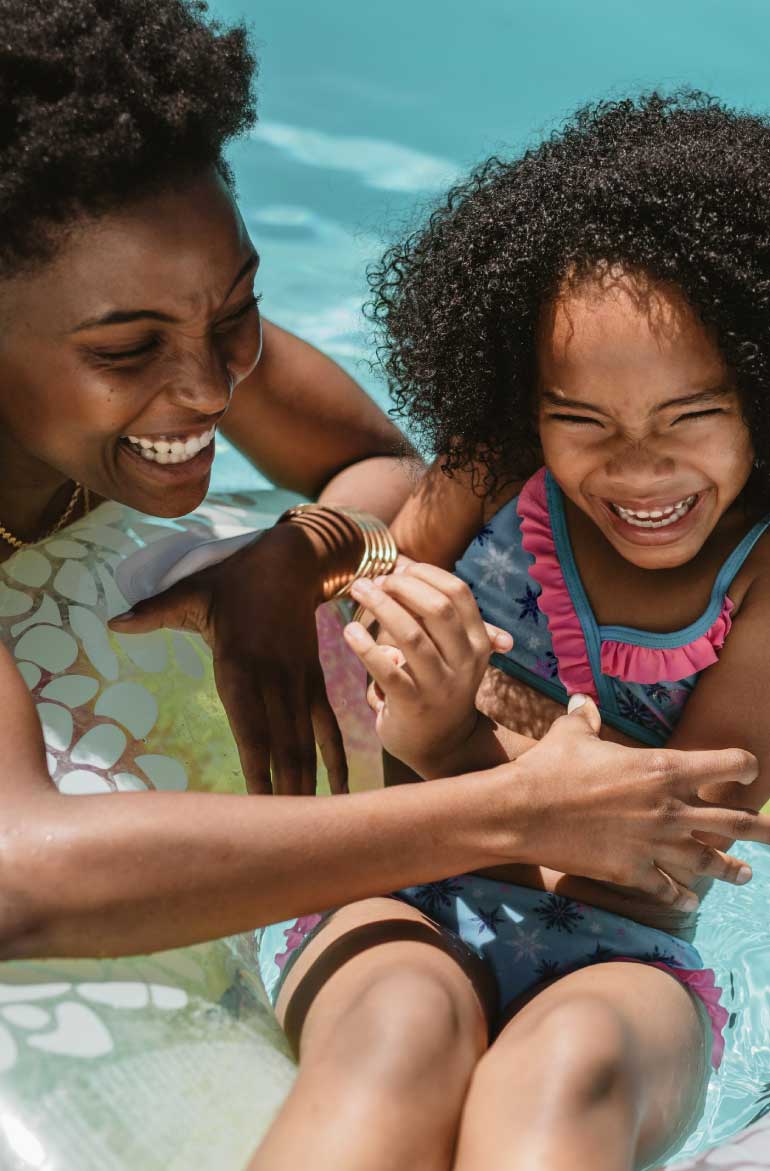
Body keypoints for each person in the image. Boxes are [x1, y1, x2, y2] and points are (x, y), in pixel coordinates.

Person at [2, 7, 762, 964]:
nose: (212, 384)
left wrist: (290, 556)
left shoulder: (174, 324)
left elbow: (381, 470)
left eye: (239, 308)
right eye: (127, 348)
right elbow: (18, 876)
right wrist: (505, 805)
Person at [252, 93, 770, 1171]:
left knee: (563, 1069)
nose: (637, 468)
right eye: (580, 421)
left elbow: (672, 852)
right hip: (396, 885)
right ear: (523, 403)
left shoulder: (760, 577)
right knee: (399, 1031)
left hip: (623, 961)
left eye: (689, 416)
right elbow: (358, 661)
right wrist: (368, 635)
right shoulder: (488, 466)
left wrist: (451, 738)